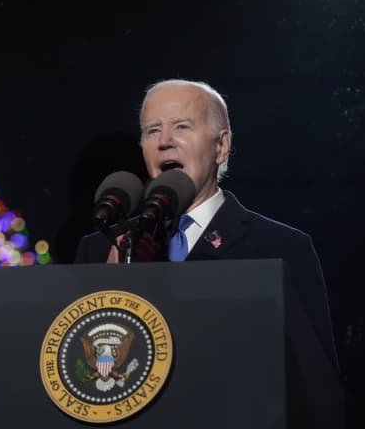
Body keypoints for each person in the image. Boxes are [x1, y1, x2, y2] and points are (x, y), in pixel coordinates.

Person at [74, 79, 338, 369]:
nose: (164, 141)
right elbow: (82, 365)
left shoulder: (280, 248)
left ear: (222, 146)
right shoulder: (101, 248)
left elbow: (315, 384)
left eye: (182, 126)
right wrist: (112, 287)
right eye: (152, 130)